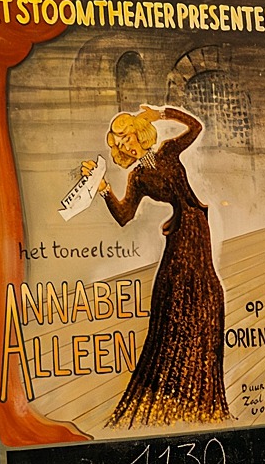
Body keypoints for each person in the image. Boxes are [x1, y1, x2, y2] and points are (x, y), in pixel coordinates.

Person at [97, 104, 231, 426]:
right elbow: (125, 215)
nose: (128, 145)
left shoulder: (169, 151)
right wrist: (104, 191)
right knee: (170, 300)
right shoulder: (138, 177)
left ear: (139, 133)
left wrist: (163, 112)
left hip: (195, 226)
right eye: (121, 143)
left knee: (203, 294)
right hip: (178, 234)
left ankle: (198, 382)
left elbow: (195, 128)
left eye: (129, 136)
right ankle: (170, 379)